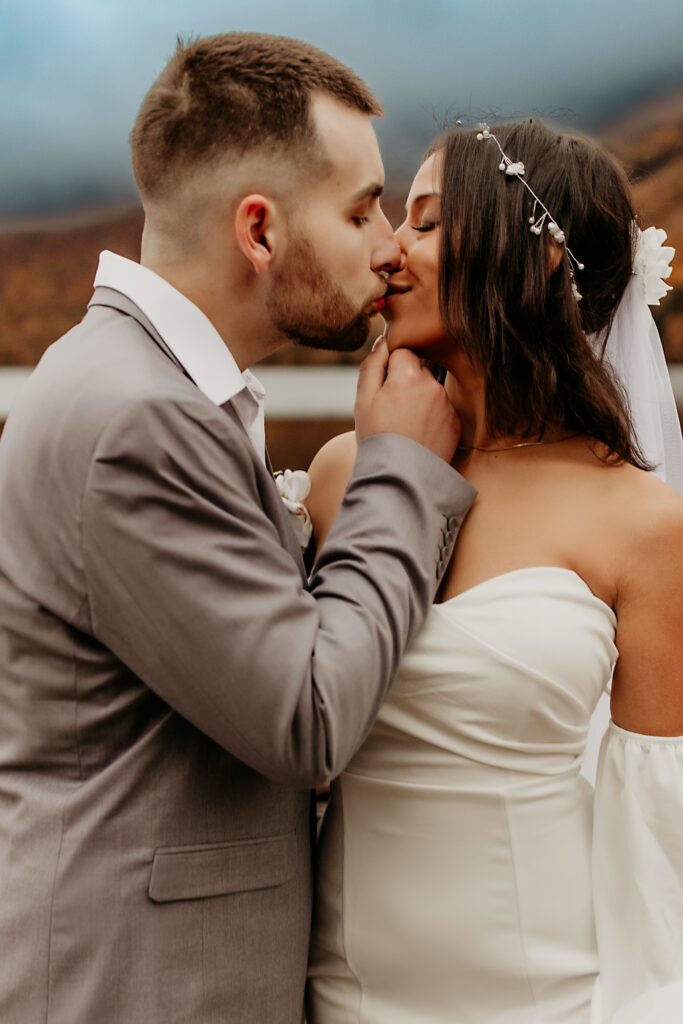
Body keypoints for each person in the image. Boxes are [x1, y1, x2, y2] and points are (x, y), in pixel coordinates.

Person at [0, 34, 477, 1023]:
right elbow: (306, 715)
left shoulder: (142, 385)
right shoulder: (136, 417)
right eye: (359, 210)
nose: (388, 243)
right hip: (136, 986)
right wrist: (398, 470)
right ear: (258, 230)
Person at [306, 119, 683, 1023]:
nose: (389, 250)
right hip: (336, 995)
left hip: (543, 1001)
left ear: (542, 258)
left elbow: (658, 835)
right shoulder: (338, 477)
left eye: (428, 223)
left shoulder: (644, 523)